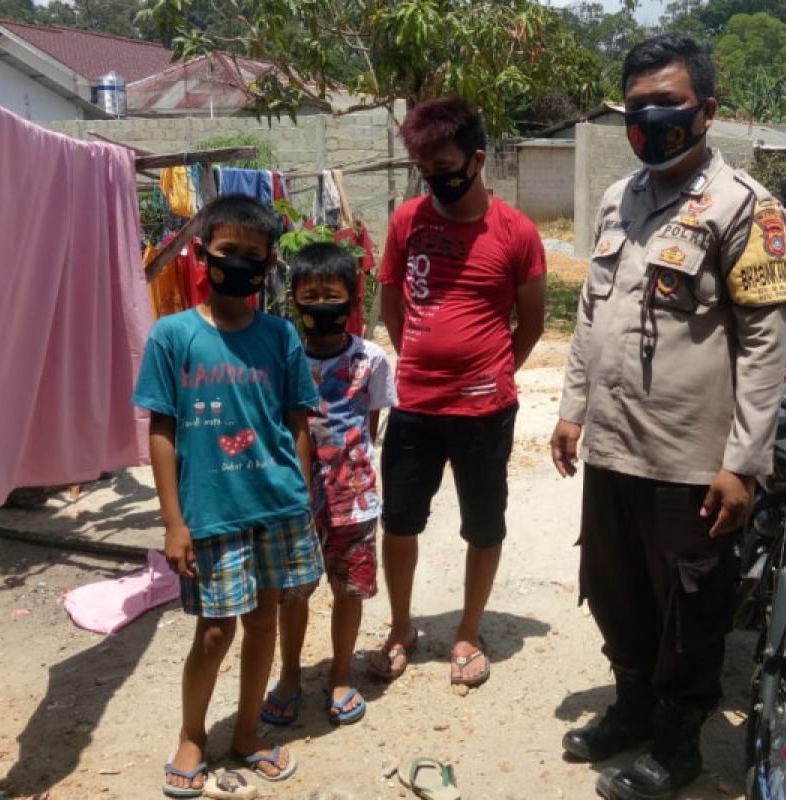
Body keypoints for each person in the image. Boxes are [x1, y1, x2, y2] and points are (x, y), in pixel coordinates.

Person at [550, 35, 786, 800]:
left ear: (707, 112)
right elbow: (593, 313)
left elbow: (763, 344)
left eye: (669, 105)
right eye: (638, 107)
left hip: (692, 457)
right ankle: (629, 708)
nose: (651, 120)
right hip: (615, 446)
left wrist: (744, 462)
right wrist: (570, 409)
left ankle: (679, 744)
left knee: (691, 602)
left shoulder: (745, 207)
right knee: (615, 586)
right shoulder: (621, 199)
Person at [133, 195, 323, 797]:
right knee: (214, 632)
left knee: (263, 621)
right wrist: (173, 522)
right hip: (211, 511)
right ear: (202, 255)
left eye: (252, 255)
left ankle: (246, 732)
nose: (239, 263)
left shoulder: (281, 336)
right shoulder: (172, 336)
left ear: (268, 265)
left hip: (277, 504)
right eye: (227, 252)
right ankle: (193, 735)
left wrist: (305, 497)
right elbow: (160, 429)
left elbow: (298, 422)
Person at [374, 96, 547, 687]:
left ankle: (468, 631)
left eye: (443, 166)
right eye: (423, 169)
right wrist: (418, 359)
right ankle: (401, 627)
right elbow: (392, 300)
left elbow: (534, 322)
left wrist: (495, 369)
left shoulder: (517, 233)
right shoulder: (406, 222)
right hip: (415, 407)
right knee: (398, 523)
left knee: (483, 524)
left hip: (485, 411)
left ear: (476, 160)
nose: (433, 179)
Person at [260, 243, 396, 727]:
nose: (321, 304)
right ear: (293, 298)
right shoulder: (279, 356)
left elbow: (370, 425)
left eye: (331, 294)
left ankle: (341, 675)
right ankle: (290, 676)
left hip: (354, 501)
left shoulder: (372, 359)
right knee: (293, 593)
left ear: (352, 298)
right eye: (310, 294)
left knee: (349, 591)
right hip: (293, 502)